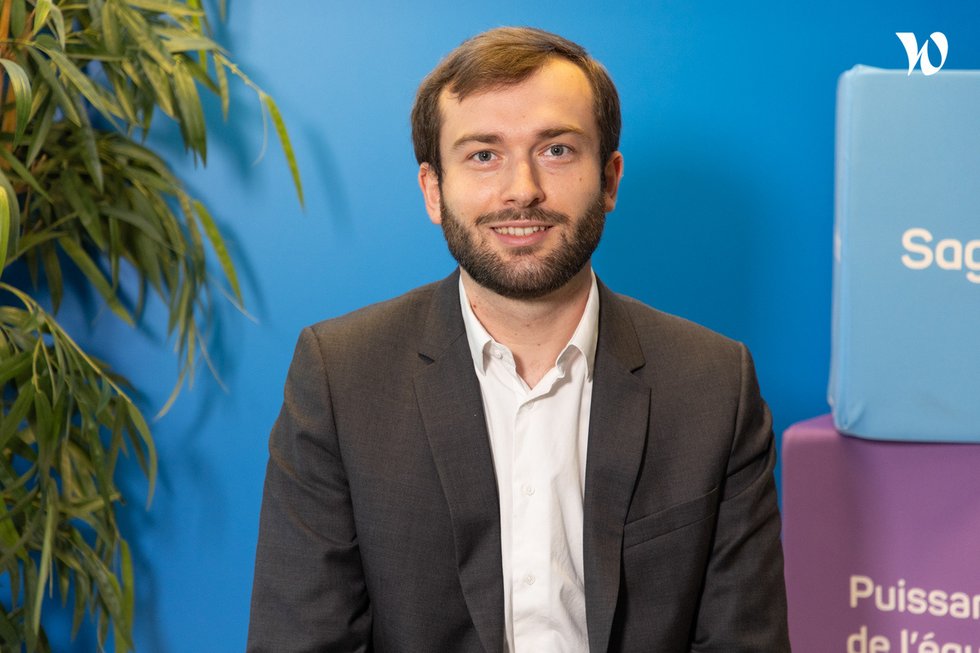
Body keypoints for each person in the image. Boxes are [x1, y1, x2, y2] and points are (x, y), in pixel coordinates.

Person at [247, 26, 790, 652]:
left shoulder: (714, 384)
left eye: (556, 150)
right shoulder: (342, 379)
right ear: (433, 190)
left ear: (610, 180)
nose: (522, 189)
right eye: (484, 155)